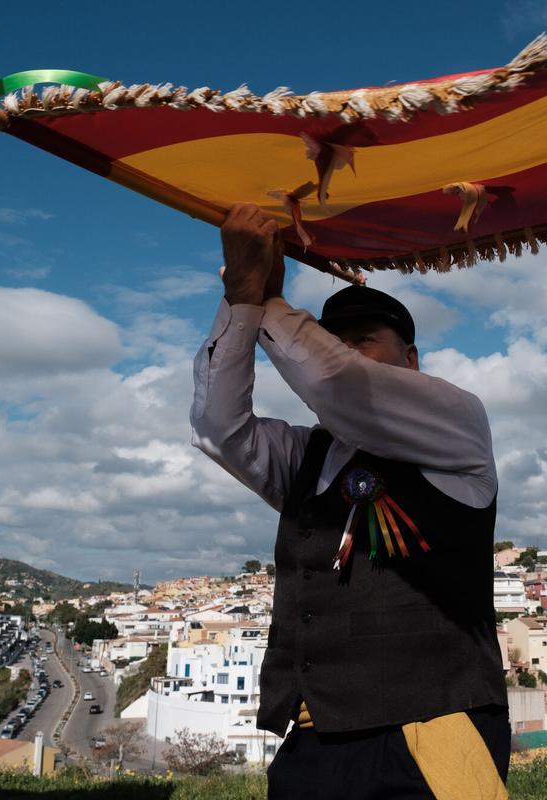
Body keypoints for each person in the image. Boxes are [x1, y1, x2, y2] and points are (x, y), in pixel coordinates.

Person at [191, 203, 510, 799]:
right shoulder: (307, 455)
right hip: (314, 737)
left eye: (365, 340)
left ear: (411, 360)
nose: (347, 351)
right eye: (335, 340)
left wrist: (266, 297)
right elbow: (217, 427)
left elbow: (340, 383)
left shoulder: (458, 421)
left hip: (431, 730)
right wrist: (240, 300)